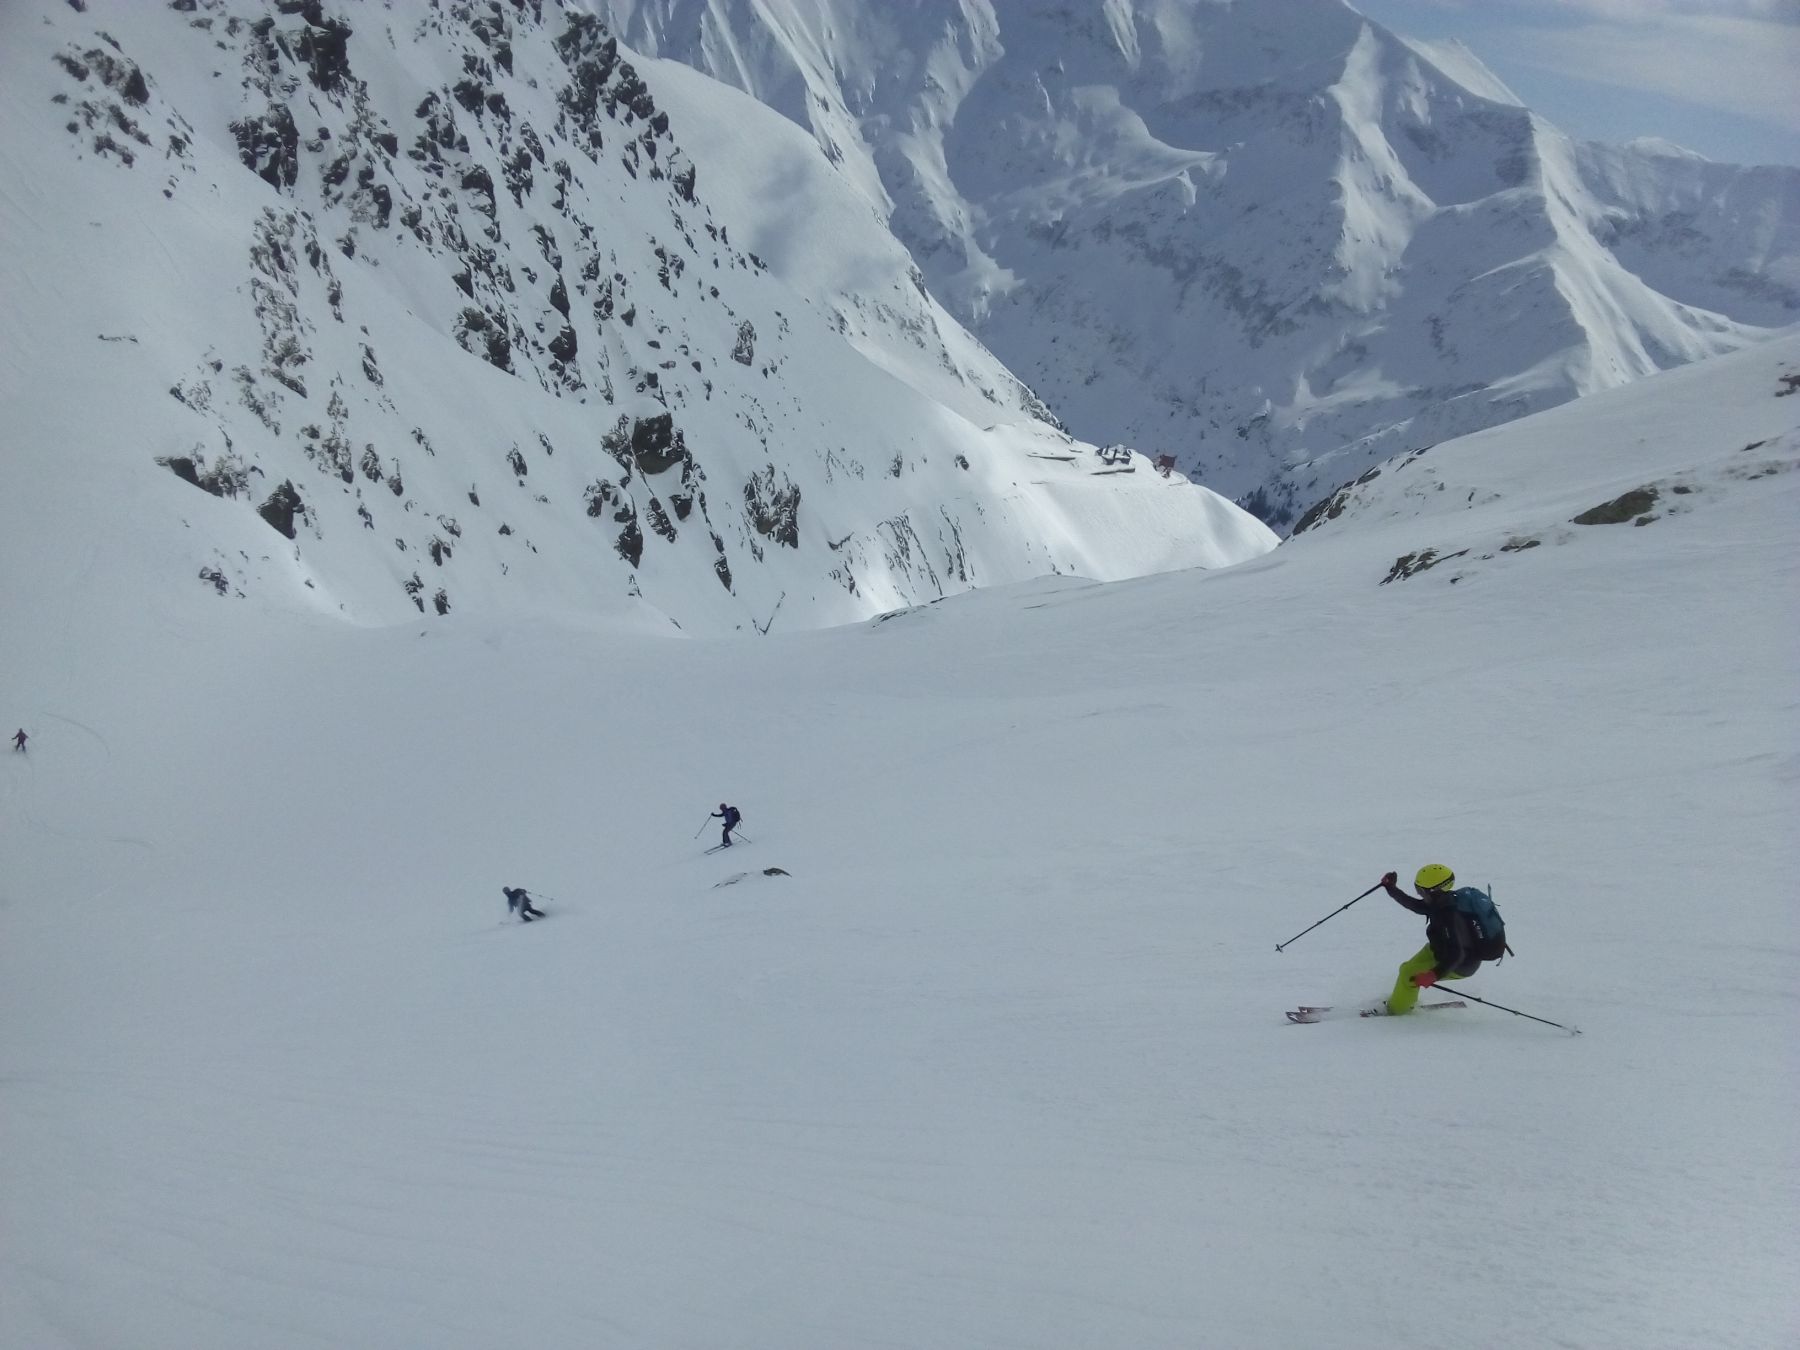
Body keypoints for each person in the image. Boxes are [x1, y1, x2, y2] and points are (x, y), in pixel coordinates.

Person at [1377, 864, 1506, 1015]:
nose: (1420, 894)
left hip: (1459, 963)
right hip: (1439, 949)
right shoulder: (1443, 900)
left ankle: (1396, 1011)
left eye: (1421, 890)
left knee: (1408, 975)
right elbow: (1416, 906)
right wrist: (1391, 888)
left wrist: (1434, 974)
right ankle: (1403, 1000)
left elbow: (1457, 954)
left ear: (1433, 891)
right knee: (1406, 969)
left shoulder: (1448, 915)